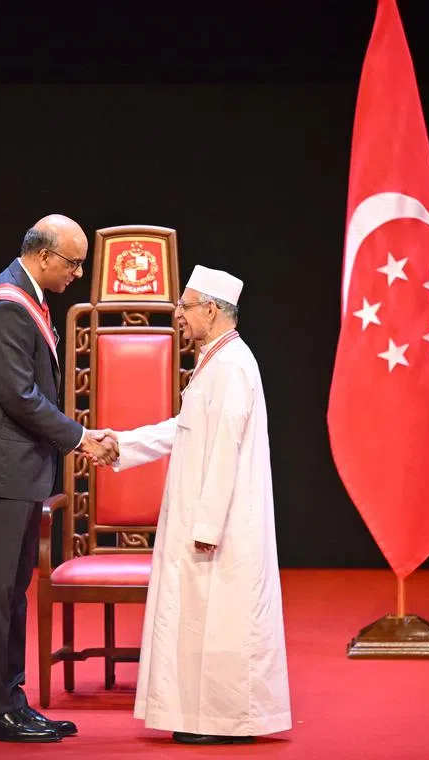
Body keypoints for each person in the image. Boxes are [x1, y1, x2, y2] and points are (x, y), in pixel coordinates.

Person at [0, 214, 118, 743]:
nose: (77, 274)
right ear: (44, 256)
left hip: (18, 469)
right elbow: (20, 397)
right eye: (73, 263)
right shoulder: (6, 307)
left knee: (12, 592)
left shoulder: (28, 298)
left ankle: (11, 702)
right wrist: (80, 437)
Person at [106, 265, 291, 744]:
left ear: (210, 310)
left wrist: (207, 526)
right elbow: (182, 428)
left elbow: (225, 449)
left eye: (185, 306)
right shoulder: (216, 360)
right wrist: (121, 444)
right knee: (201, 619)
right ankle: (203, 717)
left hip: (222, 523)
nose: (178, 315)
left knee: (223, 621)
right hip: (207, 516)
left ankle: (227, 722)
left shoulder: (231, 366)